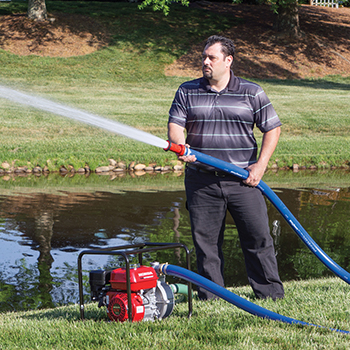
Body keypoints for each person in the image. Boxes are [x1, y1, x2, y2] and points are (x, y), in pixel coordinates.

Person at [167, 35, 284, 301]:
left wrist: (260, 166)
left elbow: (272, 128)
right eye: (203, 57)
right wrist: (180, 145)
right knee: (206, 245)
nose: (205, 62)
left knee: (258, 240)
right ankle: (212, 298)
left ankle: (270, 296)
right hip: (202, 182)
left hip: (244, 180)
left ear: (228, 61)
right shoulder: (187, 90)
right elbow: (175, 125)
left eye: (212, 58)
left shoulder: (251, 92)